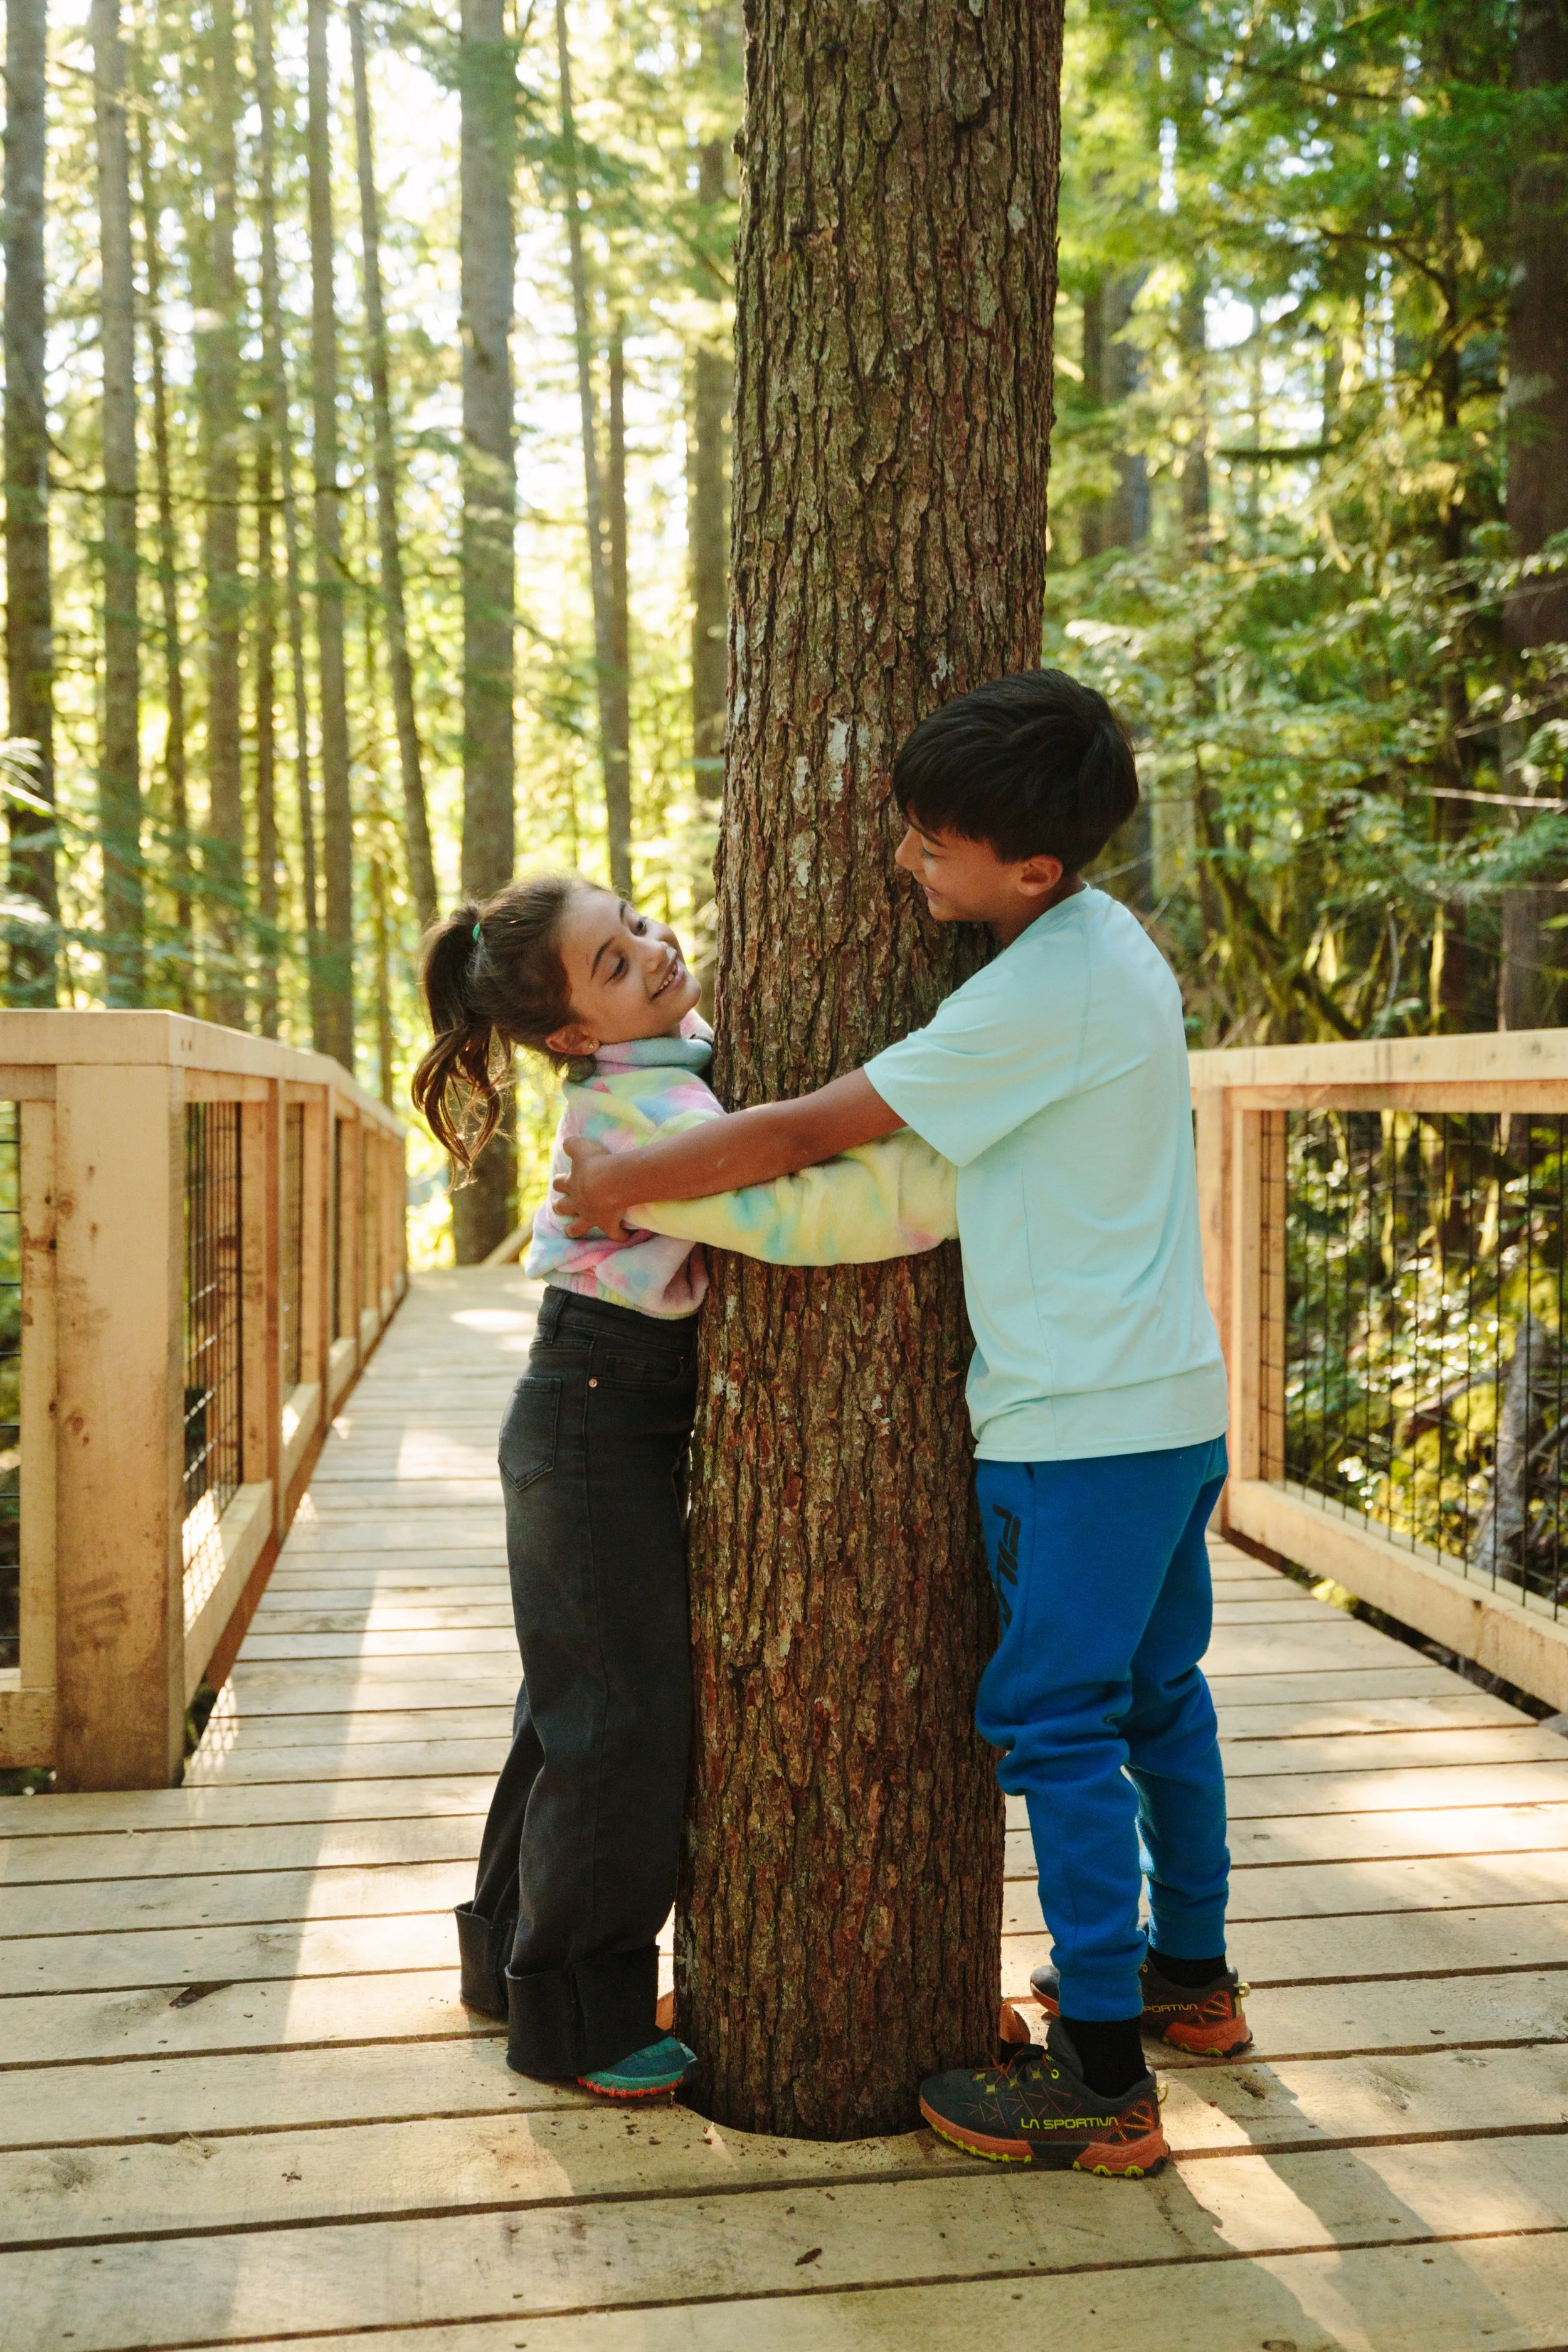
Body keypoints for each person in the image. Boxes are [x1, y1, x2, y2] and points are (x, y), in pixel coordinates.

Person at [553, 669, 1248, 2176]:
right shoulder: (1106, 946)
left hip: (1071, 1425)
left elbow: (809, 1134)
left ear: (1030, 871)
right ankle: (1191, 1980)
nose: (903, 865)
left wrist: (624, 1187)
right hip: (1169, 1408)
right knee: (1156, 1696)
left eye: (930, 848)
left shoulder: (1021, 1000)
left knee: (1054, 1725)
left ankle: (1098, 2076)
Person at [413, 874, 953, 2102]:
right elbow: (797, 1215)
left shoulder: (652, 1069)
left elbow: (712, 1079)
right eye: (611, 966)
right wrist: (956, 1190)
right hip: (592, 1416)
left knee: (568, 1707)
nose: (652, 956)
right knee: (620, 1723)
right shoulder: (628, 1129)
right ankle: (576, 2022)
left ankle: (504, 1962)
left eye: (639, 932)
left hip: (597, 1411)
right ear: (572, 1038)